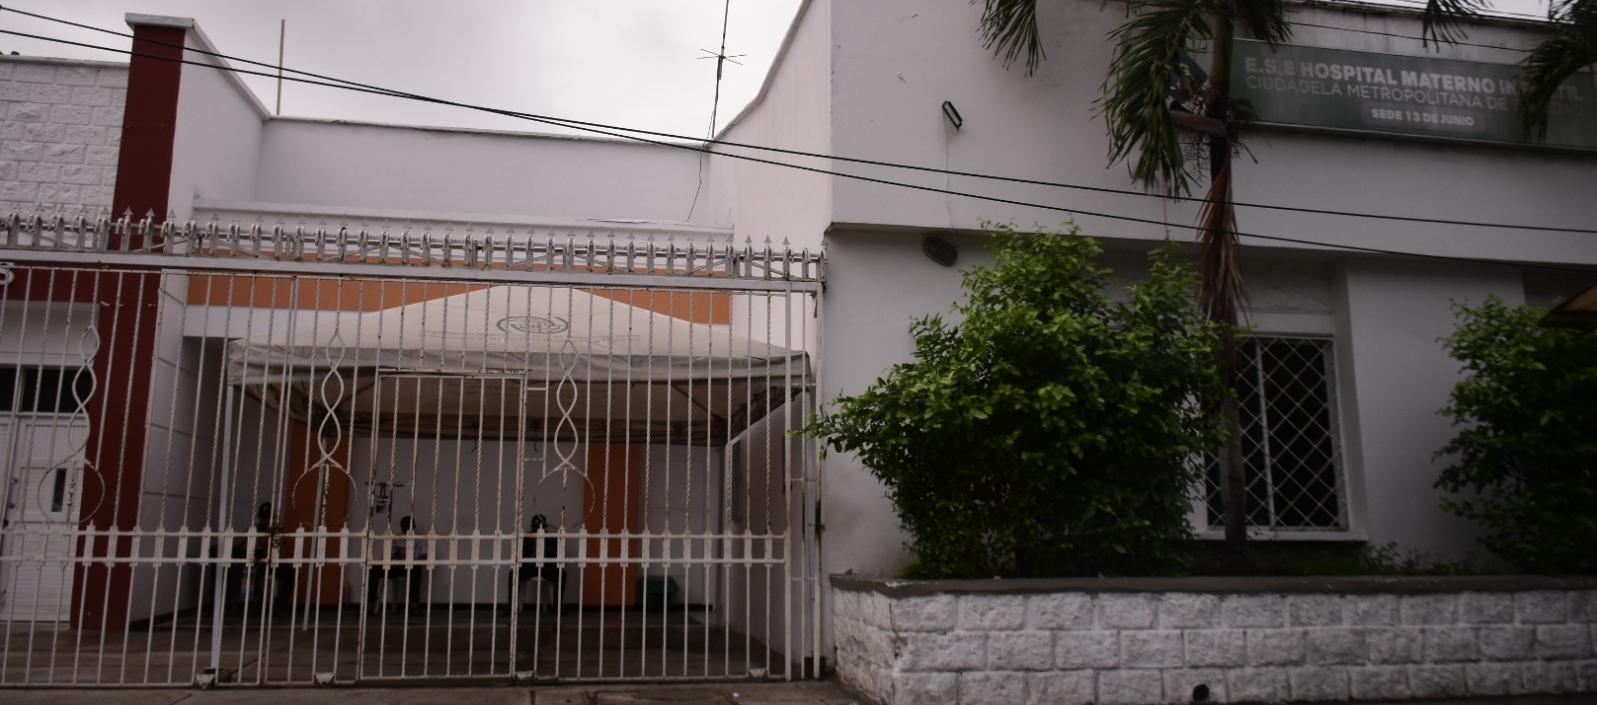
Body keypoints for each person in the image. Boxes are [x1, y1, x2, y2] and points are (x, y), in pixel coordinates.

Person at [367, 516, 425, 610]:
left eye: (409, 526)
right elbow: (384, 556)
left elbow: (424, 557)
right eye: (404, 527)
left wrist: (411, 558)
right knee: (374, 569)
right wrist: (393, 556)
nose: (406, 529)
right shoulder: (396, 538)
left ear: (414, 526)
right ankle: (370, 602)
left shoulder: (420, 539)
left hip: (410, 567)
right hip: (394, 566)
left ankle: (414, 603)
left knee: (416, 569)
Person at [508, 514, 563, 611]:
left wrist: (546, 558)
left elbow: (555, 554)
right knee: (512, 574)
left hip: (546, 567)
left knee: (562, 574)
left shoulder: (551, 538)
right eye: (536, 527)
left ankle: (557, 607)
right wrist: (529, 559)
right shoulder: (527, 538)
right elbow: (521, 554)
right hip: (530, 567)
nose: (538, 529)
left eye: (540, 526)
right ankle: (511, 608)